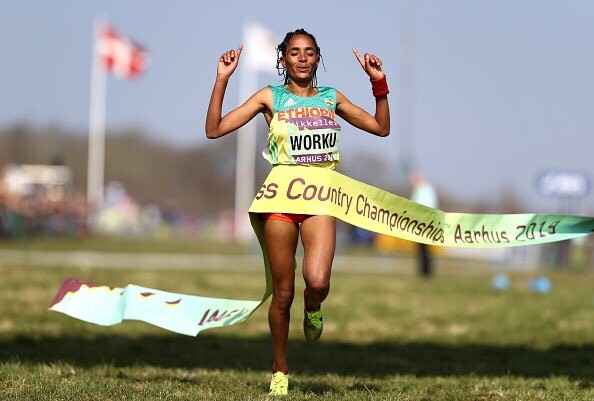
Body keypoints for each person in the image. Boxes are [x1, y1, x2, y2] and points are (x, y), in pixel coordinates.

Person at [205, 28, 390, 396]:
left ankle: (313, 306)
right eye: (294, 52)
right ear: (283, 59)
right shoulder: (269, 97)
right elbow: (214, 129)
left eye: (309, 52)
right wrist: (222, 78)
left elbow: (381, 128)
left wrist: (379, 83)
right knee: (283, 294)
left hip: (320, 199)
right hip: (281, 201)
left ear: (317, 58)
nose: (302, 58)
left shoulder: (330, 97)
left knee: (318, 282)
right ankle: (280, 368)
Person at [410, 171, 438, 277]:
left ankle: (425, 271)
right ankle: (424, 271)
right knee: (423, 248)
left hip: (424, 221)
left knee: (424, 248)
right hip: (423, 221)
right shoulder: (424, 189)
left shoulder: (423, 190)